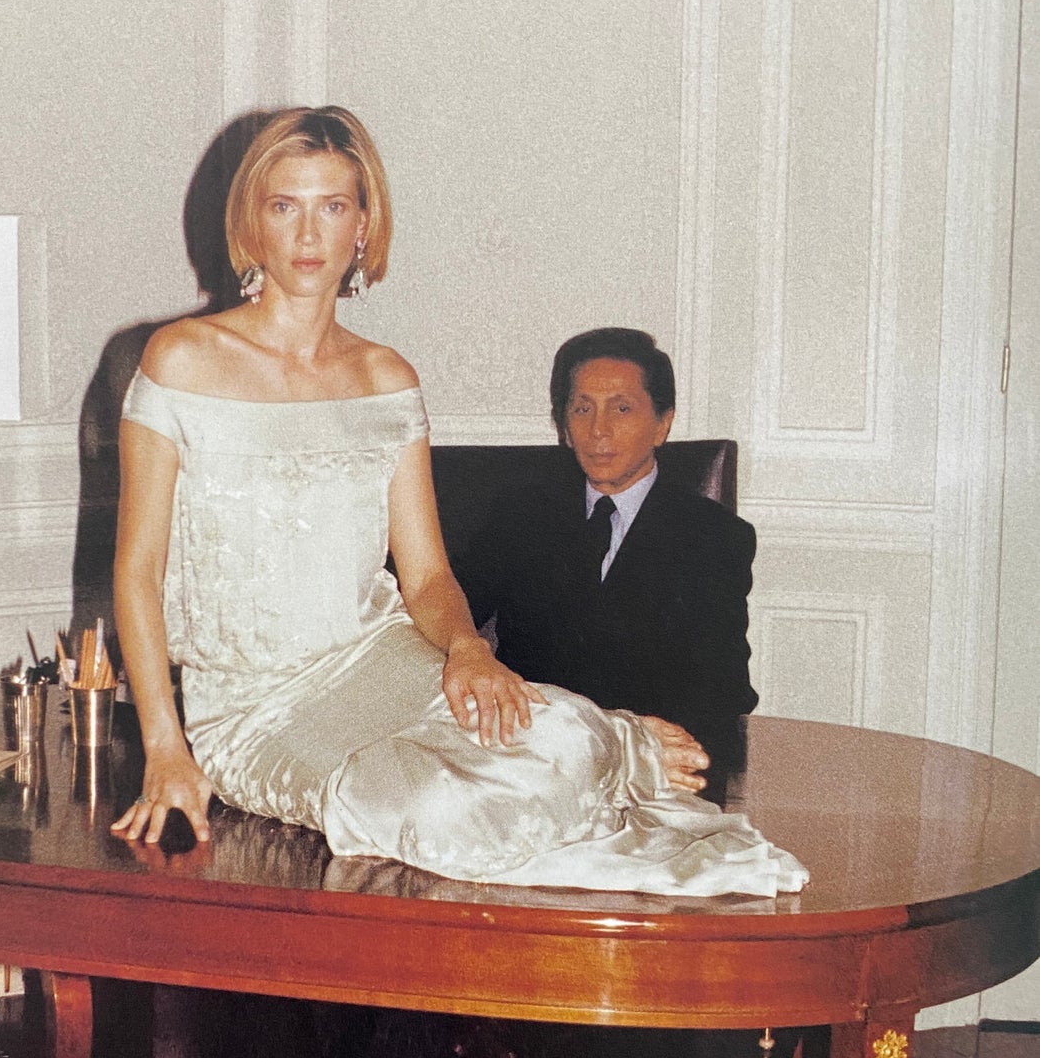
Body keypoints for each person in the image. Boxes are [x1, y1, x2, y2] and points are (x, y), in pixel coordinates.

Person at [110, 108, 806, 901]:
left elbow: (427, 576)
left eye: (331, 206)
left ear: (363, 225)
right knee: (427, 810)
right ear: (251, 221)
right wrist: (164, 746)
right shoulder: (182, 360)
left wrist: (469, 651)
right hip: (254, 709)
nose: (307, 234)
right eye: (283, 205)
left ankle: (604, 743)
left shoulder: (386, 379)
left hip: (379, 659)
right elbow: (138, 570)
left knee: (550, 729)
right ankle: (616, 754)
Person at [459, 327, 758, 775]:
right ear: (564, 426)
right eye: (582, 409)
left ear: (662, 423)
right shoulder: (520, 515)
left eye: (621, 408)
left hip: (648, 763)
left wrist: (637, 752)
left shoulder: (712, 537)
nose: (598, 429)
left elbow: (722, 691)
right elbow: (450, 613)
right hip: (530, 755)